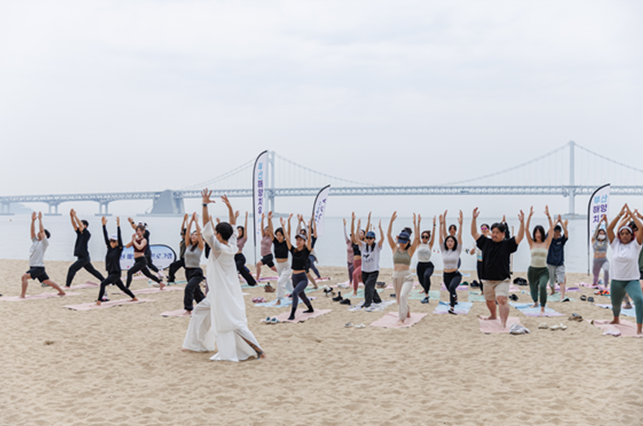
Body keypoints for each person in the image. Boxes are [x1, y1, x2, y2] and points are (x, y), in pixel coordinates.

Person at [182, 190, 265, 360]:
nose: (214, 233)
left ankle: (259, 350)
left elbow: (206, 225)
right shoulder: (232, 245)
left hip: (221, 293)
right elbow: (232, 227)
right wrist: (230, 208)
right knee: (199, 312)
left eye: (216, 232)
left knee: (231, 322)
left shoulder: (218, 248)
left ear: (219, 235)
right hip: (219, 291)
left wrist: (204, 204)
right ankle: (194, 345)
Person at [471, 207, 525, 328]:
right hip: (487, 279)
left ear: (503, 234)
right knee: (489, 301)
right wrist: (474, 219)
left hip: (502, 279)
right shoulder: (485, 242)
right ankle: (493, 315)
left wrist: (522, 223)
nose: (494, 234)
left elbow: (520, 237)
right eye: (493, 232)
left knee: (502, 299)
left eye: (497, 233)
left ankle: (503, 322)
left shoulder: (507, 244)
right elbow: (474, 233)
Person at [605, 204, 643, 335]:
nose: (625, 235)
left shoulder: (636, 245)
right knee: (615, 304)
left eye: (627, 233)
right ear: (619, 235)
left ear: (631, 235)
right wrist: (620, 215)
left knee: (639, 300)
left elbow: (641, 228)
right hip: (616, 281)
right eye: (622, 233)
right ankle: (616, 319)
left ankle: (639, 328)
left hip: (631, 281)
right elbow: (609, 228)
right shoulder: (615, 244)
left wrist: (632, 215)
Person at [21, 212, 65, 298]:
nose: (39, 233)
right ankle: (62, 292)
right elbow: (32, 232)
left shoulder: (44, 243)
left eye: (42, 233)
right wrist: (33, 221)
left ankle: (22, 295)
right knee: (47, 281)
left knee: (24, 276)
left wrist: (40, 220)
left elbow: (41, 231)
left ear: (45, 236)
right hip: (34, 267)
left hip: (38, 267)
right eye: (39, 232)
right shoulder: (35, 241)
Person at [95, 216, 138, 305]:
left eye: (114, 241)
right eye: (111, 241)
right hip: (110, 272)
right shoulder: (109, 249)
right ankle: (134, 297)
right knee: (122, 288)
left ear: (117, 242)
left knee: (103, 283)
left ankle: (99, 301)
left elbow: (120, 238)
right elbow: (105, 237)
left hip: (116, 273)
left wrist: (118, 226)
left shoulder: (119, 249)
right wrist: (103, 226)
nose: (111, 242)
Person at [387, 212, 421, 324]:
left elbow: (417, 238)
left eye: (404, 242)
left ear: (408, 242)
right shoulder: (394, 248)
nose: (402, 244)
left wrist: (416, 223)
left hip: (407, 277)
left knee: (402, 296)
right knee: (399, 300)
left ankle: (402, 319)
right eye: (400, 242)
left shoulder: (410, 250)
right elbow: (388, 235)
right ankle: (407, 309)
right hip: (396, 277)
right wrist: (391, 221)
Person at [281, 216, 315, 321]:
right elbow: (287, 239)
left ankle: (292, 314)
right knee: (302, 295)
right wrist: (283, 226)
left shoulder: (306, 251)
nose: (298, 241)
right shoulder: (293, 250)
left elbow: (310, 239)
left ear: (304, 241)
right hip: (294, 278)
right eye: (297, 240)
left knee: (295, 293)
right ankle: (310, 308)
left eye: (300, 240)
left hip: (303, 278)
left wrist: (309, 226)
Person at [524, 206, 555, 314]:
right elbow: (526, 230)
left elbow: (552, 229)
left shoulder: (546, 242)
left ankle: (542, 306)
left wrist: (549, 216)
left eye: (540, 232)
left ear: (542, 233)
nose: (538, 234)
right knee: (533, 289)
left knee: (542, 286)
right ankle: (535, 302)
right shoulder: (531, 242)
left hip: (543, 271)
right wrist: (529, 216)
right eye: (536, 232)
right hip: (532, 270)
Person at [65, 209, 105, 288]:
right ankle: (104, 280)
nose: (78, 226)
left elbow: (79, 224)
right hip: (83, 258)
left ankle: (67, 285)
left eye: (81, 225)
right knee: (93, 271)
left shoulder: (87, 234)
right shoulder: (79, 233)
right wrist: (71, 217)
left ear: (85, 226)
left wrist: (75, 215)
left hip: (84, 258)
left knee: (72, 268)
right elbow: (74, 225)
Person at [354, 214, 384, 310]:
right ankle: (377, 299)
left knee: (368, 286)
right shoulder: (363, 245)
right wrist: (358, 227)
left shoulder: (377, 246)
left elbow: (383, 239)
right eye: (367, 238)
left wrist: (380, 228)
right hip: (365, 270)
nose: (368, 239)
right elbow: (356, 238)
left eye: (371, 238)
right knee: (368, 285)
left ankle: (367, 302)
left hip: (374, 270)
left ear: (374, 239)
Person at [125, 223, 165, 289]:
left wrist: (134, 241)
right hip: (137, 260)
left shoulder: (144, 240)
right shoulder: (136, 240)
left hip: (142, 260)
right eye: (137, 231)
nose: (138, 232)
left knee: (130, 272)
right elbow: (127, 246)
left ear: (143, 232)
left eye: (139, 231)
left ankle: (126, 288)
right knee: (148, 274)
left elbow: (140, 247)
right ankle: (161, 283)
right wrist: (132, 240)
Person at [439, 210, 464, 314]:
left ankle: (452, 307)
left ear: (455, 243)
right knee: (450, 290)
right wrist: (441, 224)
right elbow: (440, 237)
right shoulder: (443, 250)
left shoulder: (457, 250)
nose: (450, 242)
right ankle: (455, 298)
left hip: (455, 274)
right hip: (446, 274)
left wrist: (461, 224)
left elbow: (460, 236)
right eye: (448, 241)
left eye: (452, 241)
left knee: (452, 287)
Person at [267, 211, 293, 305]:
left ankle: (279, 299)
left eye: (280, 235)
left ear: (283, 236)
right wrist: (269, 220)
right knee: (287, 282)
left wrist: (288, 222)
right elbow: (270, 231)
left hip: (286, 266)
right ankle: (295, 293)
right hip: (278, 266)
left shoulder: (286, 243)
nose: (278, 237)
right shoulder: (275, 242)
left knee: (279, 282)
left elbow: (288, 233)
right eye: (277, 235)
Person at [181, 213, 206, 315]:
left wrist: (196, 222)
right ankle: (205, 303)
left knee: (188, 288)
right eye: (193, 235)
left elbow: (200, 234)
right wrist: (190, 221)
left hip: (196, 272)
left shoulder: (200, 246)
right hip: (188, 271)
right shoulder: (188, 245)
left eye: (195, 235)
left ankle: (188, 309)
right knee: (196, 291)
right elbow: (187, 233)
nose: (193, 236)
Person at [546, 216, 569, 300]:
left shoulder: (561, 240)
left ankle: (562, 296)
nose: (557, 233)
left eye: (559, 232)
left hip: (560, 264)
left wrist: (561, 223)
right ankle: (553, 291)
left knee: (561, 281)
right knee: (551, 283)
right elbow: (549, 232)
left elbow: (566, 233)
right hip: (550, 264)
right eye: (556, 231)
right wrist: (555, 223)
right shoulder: (549, 240)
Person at [416, 216, 436, 304]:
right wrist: (418, 222)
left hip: (428, 265)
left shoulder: (430, 245)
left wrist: (434, 224)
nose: (424, 238)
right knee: (421, 280)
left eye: (426, 237)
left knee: (426, 276)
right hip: (420, 265)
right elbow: (416, 234)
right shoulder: (418, 244)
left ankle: (426, 295)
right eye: (423, 236)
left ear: (428, 238)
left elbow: (434, 235)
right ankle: (425, 288)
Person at [235, 212, 257, 287]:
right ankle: (252, 282)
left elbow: (246, 228)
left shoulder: (243, 239)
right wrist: (235, 217)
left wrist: (246, 218)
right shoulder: (233, 238)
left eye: (240, 231)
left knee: (235, 268)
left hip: (240, 257)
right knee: (243, 271)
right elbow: (232, 228)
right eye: (237, 230)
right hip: (233, 257)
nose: (238, 232)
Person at [297, 216, 319, 289]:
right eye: (302, 233)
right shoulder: (302, 240)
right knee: (310, 270)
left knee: (308, 268)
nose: (303, 234)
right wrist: (300, 221)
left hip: (311, 255)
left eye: (304, 233)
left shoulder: (310, 238)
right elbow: (298, 231)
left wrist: (312, 222)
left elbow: (311, 231)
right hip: (305, 256)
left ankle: (318, 277)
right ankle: (315, 284)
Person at [255, 213, 278, 281]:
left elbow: (272, 229)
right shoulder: (263, 236)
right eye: (266, 230)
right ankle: (283, 274)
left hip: (268, 256)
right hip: (264, 256)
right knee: (273, 268)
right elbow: (261, 227)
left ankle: (257, 278)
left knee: (258, 264)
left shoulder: (271, 237)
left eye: (268, 230)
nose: (267, 231)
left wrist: (269, 220)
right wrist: (262, 219)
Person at [349, 212, 367, 296]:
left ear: (364, 236)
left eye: (361, 233)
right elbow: (352, 231)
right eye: (359, 232)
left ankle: (355, 292)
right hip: (355, 262)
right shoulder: (354, 241)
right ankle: (369, 288)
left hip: (361, 262)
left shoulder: (364, 243)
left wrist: (368, 220)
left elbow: (367, 230)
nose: (359, 234)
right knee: (361, 278)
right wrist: (353, 221)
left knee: (354, 274)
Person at [468, 223, 490, 291]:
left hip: (487, 262)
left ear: (488, 230)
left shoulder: (490, 241)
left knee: (488, 278)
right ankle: (482, 291)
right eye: (482, 228)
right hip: (479, 261)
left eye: (485, 228)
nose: (483, 230)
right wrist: (472, 251)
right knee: (480, 277)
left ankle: (488, 291)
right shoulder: (476, 241)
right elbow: (471, 253)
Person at [167, 214, 188, 285]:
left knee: (190, 271)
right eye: (181, 234)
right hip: (182, 259)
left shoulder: (188, 240)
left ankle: (200, 277)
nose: (182, 235)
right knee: (172, 266)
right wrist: (184, 220)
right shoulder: (182, 240)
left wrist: (187, 221)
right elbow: (182, 229)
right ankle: (171, 278)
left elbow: (187, 231)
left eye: (183, 234)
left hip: (186, 259)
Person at [591, 215, 610, 287]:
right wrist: (600, 222)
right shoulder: (594, 241)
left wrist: (606, 222)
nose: (602, 234)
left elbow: (609, 231)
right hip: (596, 261)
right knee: (595, 276)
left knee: (606, 270)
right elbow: (595, 232)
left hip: (604, 260)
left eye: (603, 233)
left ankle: (605, 285)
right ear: (598, 234)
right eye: (600, 233)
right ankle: (595, 282)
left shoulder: (606, 241)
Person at [343, 218, 355, 287]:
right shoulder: (348, 242)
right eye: (351, 236)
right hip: (348, 260)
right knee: (349, 271)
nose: (351, 238)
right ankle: (350, 281)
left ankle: (355, 281)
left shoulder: (356, 243)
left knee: (352, 270)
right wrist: (344, 225)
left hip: (354, 260)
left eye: (353, 236)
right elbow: (345, 234)